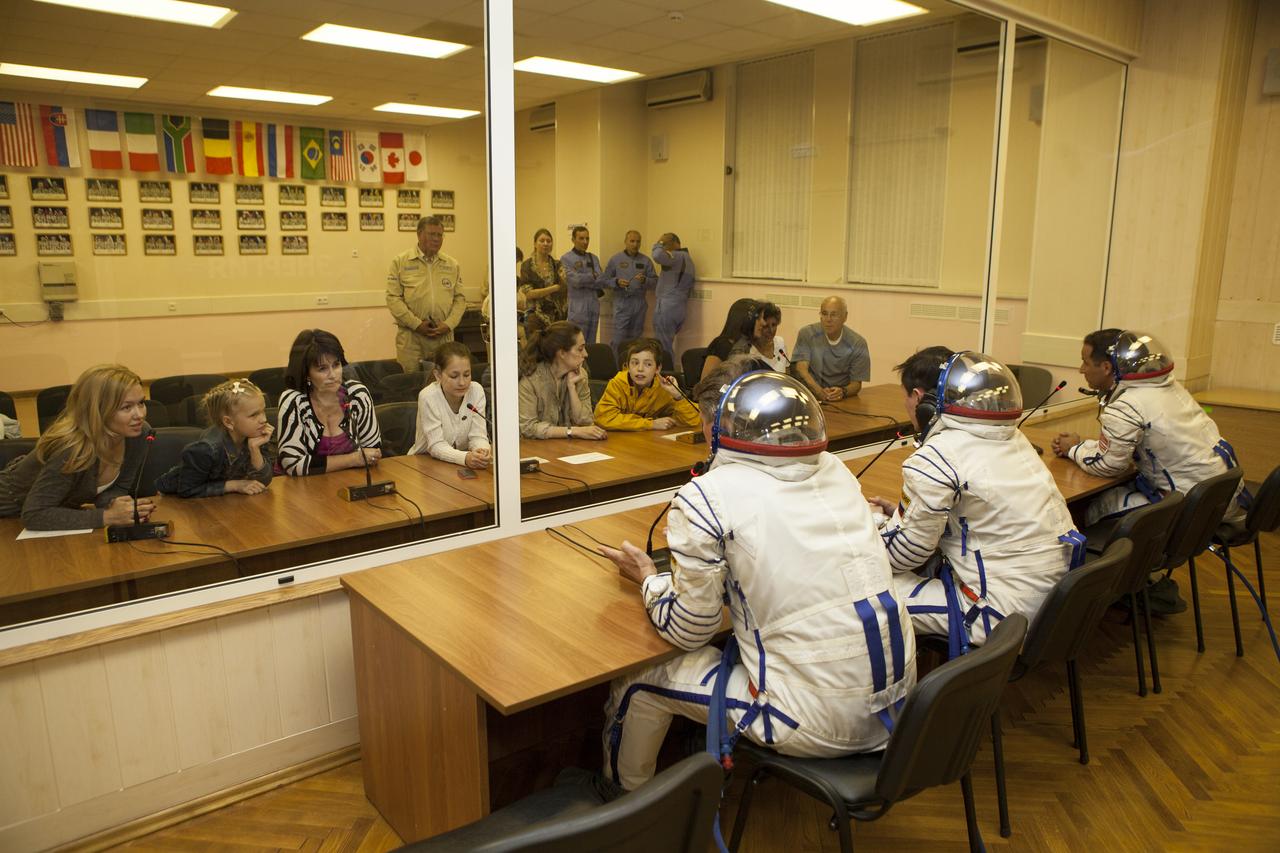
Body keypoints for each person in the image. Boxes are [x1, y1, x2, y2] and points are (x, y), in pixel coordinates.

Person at [597, 359, 916, 791]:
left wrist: (650, 578)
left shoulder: (708, 497)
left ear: (717, 425)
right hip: (900, 710)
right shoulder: (835, 470)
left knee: (638, 680)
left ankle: (624, 808)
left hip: (814, 722)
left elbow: (691, 629)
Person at [868, 348, 1082, 657]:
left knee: (869, 596)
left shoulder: (938, 456)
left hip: (1002, 615)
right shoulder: (1014, 440)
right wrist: (908, 515)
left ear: (921, 400)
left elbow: (904, 556)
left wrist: (868, 530)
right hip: (1053, 605)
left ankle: (903, 698)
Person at [1051, 329, 1248, 526]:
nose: (1081, 370)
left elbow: (1109, 465)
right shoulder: (1168, 387)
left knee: (1090, 508)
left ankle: (1110, 556)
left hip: (1191, 509)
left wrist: (1073, 449)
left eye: (1085, 362)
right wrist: (1084, 445)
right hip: (1220, 496)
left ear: (1106, 367)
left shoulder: (1128, 405)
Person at [0, 364, 157, 529]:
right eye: (126, 407)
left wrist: (118, 507)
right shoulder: (71, 448)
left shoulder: (140, 434)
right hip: (9, 515)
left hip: (48, 516)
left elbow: (118, 488)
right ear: (98, 409)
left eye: (141, 403)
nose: (139, 415)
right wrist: (107, 516)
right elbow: (34, 514)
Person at [276, 329, 383, 475]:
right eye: (322, 369)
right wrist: (353, 459)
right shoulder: (294, 401)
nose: (333, 375)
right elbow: (292, 464)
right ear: (306, 373)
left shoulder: (357, 395)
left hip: (350, 480)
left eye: (336, 365)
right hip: (303, 487)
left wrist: (360, 459)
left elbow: (372, 452)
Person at [155, 379, 274, 497]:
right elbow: (187, 490)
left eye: (263, 411)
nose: (264, 419)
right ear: (228, 422)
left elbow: (262, 482)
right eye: (254, 415)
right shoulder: (205, 449)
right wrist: (234, 485)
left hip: (218, 501)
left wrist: (255, 450)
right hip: (172, 500)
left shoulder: (254, 436)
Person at [386, 215, 467, 374]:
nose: (436, 239)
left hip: (443, 337)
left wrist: (449, 324)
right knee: (412, 383)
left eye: (440, 235)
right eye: (432, 234)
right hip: (412, 338)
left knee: (444, 382)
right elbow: (393, 298)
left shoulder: (452, 265)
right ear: (419, 234)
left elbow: (460, 299)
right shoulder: (401, 262)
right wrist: (416, 324)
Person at [517, 321, 607, 440]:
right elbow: (528, 428)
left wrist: (572, 388)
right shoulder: (530, 380)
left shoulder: (580, 374)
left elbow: (586, 422)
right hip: (536, 450)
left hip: (568, 449)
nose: (586, 354)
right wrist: (571, 431)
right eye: (580, 349)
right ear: (562, 353)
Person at [408, 341, 491, 469]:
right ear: (438, 375)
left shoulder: (476, 390)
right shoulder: (428, 396)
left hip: (460, 464)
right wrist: (465, 458)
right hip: (424, 464)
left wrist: (481, 451)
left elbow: (478, 435)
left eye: (467, 375)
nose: (462, 382)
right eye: (454, 376)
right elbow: (436, 445)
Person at [594, 338, 700, 432]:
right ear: (627, 366)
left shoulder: (662, 388)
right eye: (635, 363)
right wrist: (651, 424)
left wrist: (678, 396)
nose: (640, 369)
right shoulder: (617, 384)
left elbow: (693, 420)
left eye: (648, 364)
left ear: (657, 369)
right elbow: (602, 418)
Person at [792, 296, 871, 401]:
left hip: (840, 399)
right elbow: (801, 369)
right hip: (810, 396)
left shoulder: (857, 343)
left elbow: (856, 384)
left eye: (834, 315)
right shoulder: (807, 334)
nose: (828, 319)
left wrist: (843, 391)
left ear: (845, 317)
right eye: (824, 314)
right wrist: (819, 392)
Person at [602, 230, 657, 357]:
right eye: (632, 241)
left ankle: (632, 367)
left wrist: (645, 280)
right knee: (618, 339)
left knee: (636, 340)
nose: (635, 244)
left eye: (638, 242)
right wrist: (616, 282)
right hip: (622, 301)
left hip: (639, 303)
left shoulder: (646, 261)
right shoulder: (616, 260)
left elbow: (655, 281)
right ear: (625, 242)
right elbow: (603, 280)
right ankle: (616, 369)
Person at [652, 232, 695, 362]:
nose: (664, 247)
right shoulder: (687, 259)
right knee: (666, 343)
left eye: (666, 243)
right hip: (678, 307)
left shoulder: (677, 256)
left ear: (675, 243)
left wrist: (659, 243)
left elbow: (657, 255)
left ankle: (666, 374)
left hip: (667, 307)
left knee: (663, 346)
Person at [561, 225, 605, 345]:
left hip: (593, 306)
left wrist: (584, 278)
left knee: (591, 344)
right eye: (581, 238)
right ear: (573, 240)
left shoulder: (593, 258)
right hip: (577, 307)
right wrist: (592, 276)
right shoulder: (566, 259)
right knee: (576, 343)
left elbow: (601, 279)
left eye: (587, 238)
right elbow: (575, 281)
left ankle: (589, 364)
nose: (585, 242)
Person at [519, 228, 566, 337]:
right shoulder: (526, 266)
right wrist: (554, 288)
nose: (545, 244)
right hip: (534, 316)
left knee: (554, 350)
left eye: (549, 241)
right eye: (542, 240)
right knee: (536, 349)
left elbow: (564, 288)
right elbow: (529, 294)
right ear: (535, 243)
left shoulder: (557, 264)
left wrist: (560, 287)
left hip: (556, 316)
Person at [700, 298, 760, 381]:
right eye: (758, 319)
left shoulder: (752, 344)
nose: (762, 323)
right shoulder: (721, 345)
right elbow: (706, 381)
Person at [729, 300, 787, 372]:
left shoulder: (780, 342)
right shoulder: (747, 349)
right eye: (766, 326)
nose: (771, 330)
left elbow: (787, 373)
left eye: (774, 325)